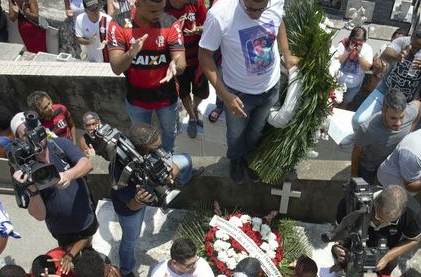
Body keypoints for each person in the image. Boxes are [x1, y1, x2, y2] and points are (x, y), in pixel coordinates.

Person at [198, 0, 298, 183]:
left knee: (256, 131)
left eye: (262, 8)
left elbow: (279, 22)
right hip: (238, 93)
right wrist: (225, 95)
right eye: (250, 8)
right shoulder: (220, 14)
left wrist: (286, 53)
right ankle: (235, 161)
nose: (256, 14)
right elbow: (204, 56)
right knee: (235, 136)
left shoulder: (276, 3)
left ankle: (249, 160)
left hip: (270, 88)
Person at [109, 123, 199, 277]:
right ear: (142, 150)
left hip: (150, 183)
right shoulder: (121, 173)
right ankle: (127, 271)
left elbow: (173, 163)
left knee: (186, 158)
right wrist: (139, 200)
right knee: (130, 241)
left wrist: (170, 176)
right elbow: (130, 205)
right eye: (156, 148)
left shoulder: (152, 154)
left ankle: (180, 183)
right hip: (132, 207)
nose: (161, 150)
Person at [107, 0, 186, 153]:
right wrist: (131, 53)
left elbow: (181, 62)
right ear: (137, 4)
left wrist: (175, 65)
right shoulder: (118, 24)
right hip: (137, 99)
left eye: (161, 9)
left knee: (169, 132)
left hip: (167, 97)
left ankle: (168, 158)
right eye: (152, 11)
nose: (158, 15)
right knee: (142, 141)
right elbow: (116, 68)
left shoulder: (170, 23)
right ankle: (147, 165)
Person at [11, 112, 97, 248]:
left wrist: (69, 175)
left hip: (86, 218)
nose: (34, 138)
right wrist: (32, 189)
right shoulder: (23, 170)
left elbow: (87, 164)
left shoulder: (60, 145)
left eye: (36, 131)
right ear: (19, 140)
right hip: (62, 230)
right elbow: (39, 215)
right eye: (26, 135)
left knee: (89, 242)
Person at [352, 24, 421, 129]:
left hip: (405, 99)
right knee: (358, 120)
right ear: (411, 37)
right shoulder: (402, 41)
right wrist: (397, 56)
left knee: (390, 129)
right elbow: (385, 55)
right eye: (415, 46)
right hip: (384, 90)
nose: (417, 50)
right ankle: (357, 139)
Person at [332, 185, 421, 276]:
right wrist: (338, 245)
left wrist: (388, 257)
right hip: (354, 244)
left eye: (390, 221)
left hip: (385, 250)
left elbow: (414, 240)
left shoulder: (413, 213)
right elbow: (339, 229)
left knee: (384, 270)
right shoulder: (350, 203)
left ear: (402, 213)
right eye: (378, 217)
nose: (381, 224)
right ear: (375, 203)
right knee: (339, 256)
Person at [351, 89, 420, 185]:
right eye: (393, 118)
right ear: (383, 111)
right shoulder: (367, 129)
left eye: (401, 117)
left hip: (391, 168)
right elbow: (356, 152)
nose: (398, 123)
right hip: (369, 169)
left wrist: (411, 131)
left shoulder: (411, 112)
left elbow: (418, 104)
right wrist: (354, 177)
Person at [164, 0, 208, 138]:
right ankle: (192, 117)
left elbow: (208, 25)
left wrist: (197, 29)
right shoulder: (163, 7)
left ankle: (195, 108)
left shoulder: (196, 3)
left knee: (201, 91)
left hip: (199, 57)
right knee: (183, 91)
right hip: (177, 59)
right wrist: (176, 31)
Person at [148, 238, 217, 277]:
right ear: (175, 263)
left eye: (195, 261)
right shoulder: (158, 275)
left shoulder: (201, 263)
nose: (194, 266)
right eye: (189, 265)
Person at [330, 26, 373, 106]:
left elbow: (367, 67)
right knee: (333, 102)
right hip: (338, 83)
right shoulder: (343, 45)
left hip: (354, 86)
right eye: (355, 39)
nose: (357, 42)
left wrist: (359, 54)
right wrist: (347, 51)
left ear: (364, 40)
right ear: (351, 38)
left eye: (360, 40)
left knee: (345, 103)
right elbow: (337, 62)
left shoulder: (367, 49)